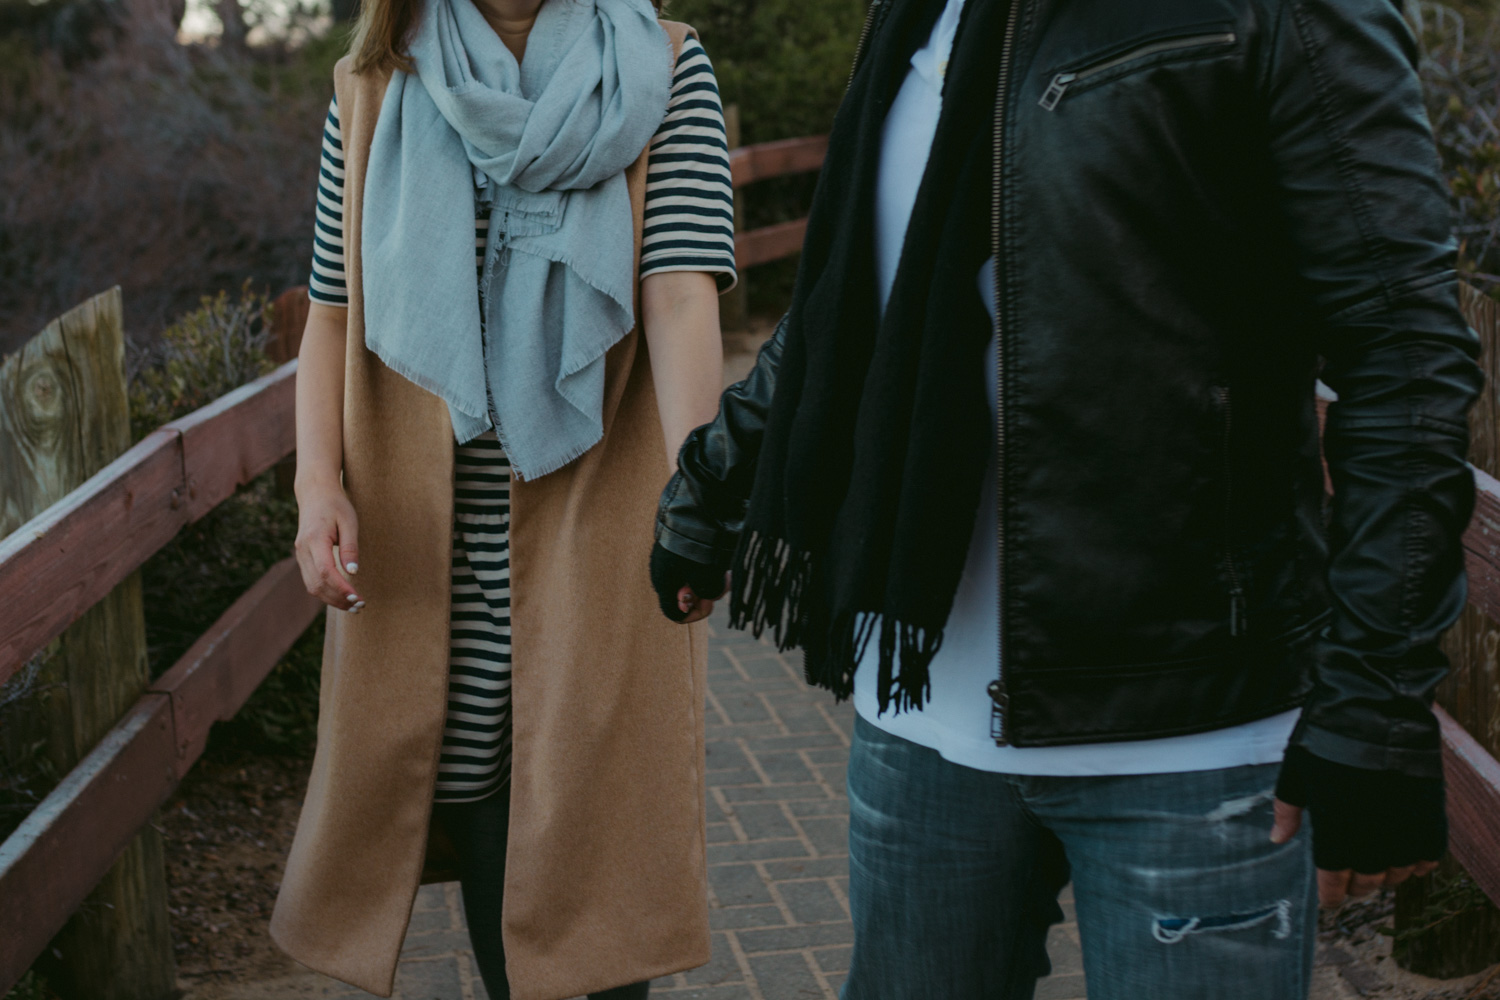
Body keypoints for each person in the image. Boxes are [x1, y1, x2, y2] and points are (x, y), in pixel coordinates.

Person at [649, 0, 1483, 996]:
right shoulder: (924, 13)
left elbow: (1403, 359)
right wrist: (713, 484)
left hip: (1190, 734)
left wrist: (1376, 707)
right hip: (923, 723)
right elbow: (856, 300)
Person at [269, 0, 735, 994]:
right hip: (421, 532)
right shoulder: (375, 82)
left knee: (587, 826)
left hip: (596, 514)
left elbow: (682, 292)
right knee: (476, 789)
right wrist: (317, 487)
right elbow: (329, 308)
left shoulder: (662, 68)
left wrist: (700, 498)